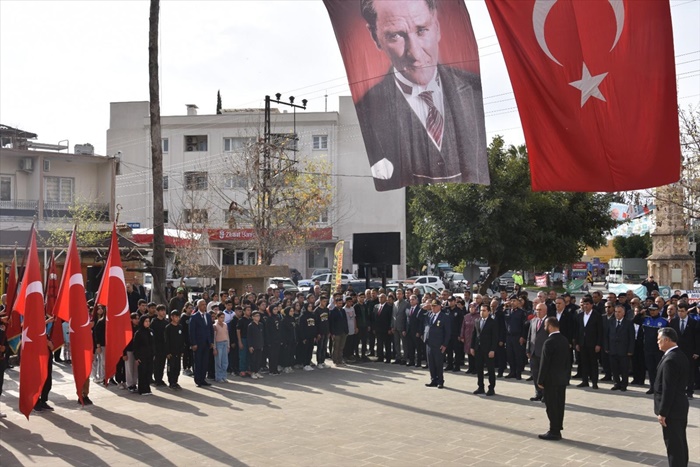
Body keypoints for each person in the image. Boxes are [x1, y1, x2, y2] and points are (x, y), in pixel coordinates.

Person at [355, 0, 488, 191]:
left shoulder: (473, 90)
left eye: (422, 30)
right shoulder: (366, 110)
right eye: (395, 36)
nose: (415, 53)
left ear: (437, 26)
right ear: (375, 36)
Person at [654, 327, 690, 467]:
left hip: (672, 410)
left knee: (674, 446)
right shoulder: (680, 355)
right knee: (680, 443)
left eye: (659, 340)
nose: (658, 342)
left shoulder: (671, 359)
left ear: (667, 340)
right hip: (679, 406)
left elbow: (668, 389)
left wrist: (663, 412)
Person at [537, 317, 572, 441]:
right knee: (559, 405)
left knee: (551, 406)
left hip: (551, 380)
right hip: (561, 379)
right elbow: (569, 361)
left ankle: (554, 431)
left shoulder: (549, 341)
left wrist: (540, 380)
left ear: (550, 326)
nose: (545, 328)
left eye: (546, 325)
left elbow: (544, 363)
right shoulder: (564, 340)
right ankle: (557, 428)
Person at [669, 302, 699, 399]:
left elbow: (697, 339)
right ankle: (678, 390)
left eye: (682, 311)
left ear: (687, 312)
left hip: (689, 351)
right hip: (676, 351)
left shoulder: (693, 323)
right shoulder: (673, 322)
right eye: (679, 311)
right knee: (676, 371)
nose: (680, 313)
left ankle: (689, 391)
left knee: (690, 371)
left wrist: (697, 352)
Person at [604, 304, 636, 391]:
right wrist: (607, 347)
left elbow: (631, 338)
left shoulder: (628, 323)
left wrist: (630, 350)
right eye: (616, 312)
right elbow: (606, 335)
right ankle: (616, 383)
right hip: (613, 349)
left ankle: (624, 384)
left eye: (619, 312)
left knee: (624, 368)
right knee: (614, 368)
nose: (617, 314)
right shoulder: (611, 322)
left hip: (624, 350)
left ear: (623, 313)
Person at [574, 297, 603, 389]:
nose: (585, 306)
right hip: (582, 343)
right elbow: (577, 330)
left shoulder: (597, 315)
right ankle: (584, 381)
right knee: (584, 363)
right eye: (584, 304)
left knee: (593, 363)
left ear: (591, 305)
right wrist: (577, 343)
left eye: (587, 304)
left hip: (593, 344)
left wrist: (598, 344)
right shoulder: (580, 315)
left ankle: (594, 382)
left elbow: (600, 331)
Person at [470, 304, 498, 396]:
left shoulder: (493, 322)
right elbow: (474, 335)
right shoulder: (477, 321)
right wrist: (472, 347)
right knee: (479, 369)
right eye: (481, 310)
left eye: (484, 310)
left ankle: (491, 388)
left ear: (489, 312)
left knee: (490, 370)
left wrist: (493, 350)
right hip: (478, 349)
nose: (482, 312)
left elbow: (495, 338)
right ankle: (480, 387)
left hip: (488, 349)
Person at [424, 299, 450, 389]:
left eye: (435, 306)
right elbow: (419, 316)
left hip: (439, 344)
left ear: (439, 306)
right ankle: (433, 380)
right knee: (431, 363)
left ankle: (440, 381)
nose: (433, 308)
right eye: (432, 306)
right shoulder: (429, 315)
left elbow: (448, 333)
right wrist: (424, 308)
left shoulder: (444, 317)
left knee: (438, 364)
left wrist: (445, 344)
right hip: (429, 342)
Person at [527, 303, 549, 402]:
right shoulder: (533, 321)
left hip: (544, 353)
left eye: (540, 310)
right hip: (534, 352)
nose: (538, 311)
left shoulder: (549, 321)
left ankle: (546, 394)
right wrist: (528, 349)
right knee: (535, 374)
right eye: (536, 309)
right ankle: (538, 393)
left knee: (544, 374)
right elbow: (529, 336)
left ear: (545, 311)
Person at [189, 299, 214, 387]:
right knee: (198, 362)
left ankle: (203, 379)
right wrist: (193, 343)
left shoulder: (207, 316)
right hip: (198, 343)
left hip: (207, 343)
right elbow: (192, 331)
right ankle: (198, 380)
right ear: (198, 306)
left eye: (205, 304)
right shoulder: (194, 317)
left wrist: (211, 341)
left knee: (205, 362)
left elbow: (210, 329)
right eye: (202, 304)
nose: (204, 306)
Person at [133, 315, 154, 396]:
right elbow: (135, 346)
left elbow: (153, 343)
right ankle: (142, 389)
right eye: (146, 321)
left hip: (150, 356)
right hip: (142, 356)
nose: (147, 323)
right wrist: (136, 357)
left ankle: (147, 388)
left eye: (148, 321)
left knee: (149, 372)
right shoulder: (138, 333)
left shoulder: (151, 331)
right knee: (142, 372)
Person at [164, 310, 184, 390]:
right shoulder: (168, 328)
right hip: (171, 352)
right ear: (172, 317)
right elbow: (166, 340)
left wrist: (182, 350)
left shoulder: (180, 327)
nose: (177, 318)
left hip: (178, 352)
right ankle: (171, 382)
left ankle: (175, 381)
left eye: (178, 317)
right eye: (175, 317)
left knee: (177, 367)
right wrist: (167, 352)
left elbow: (182, 339)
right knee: (171, 367)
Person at [213, 312, 230, 383]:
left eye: (223, 317)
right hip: (218, 344)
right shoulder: (215, 326)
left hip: (225, 343)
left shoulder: (225, 325)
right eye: (221, 317)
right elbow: (214, 337)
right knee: (218, 362)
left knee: (225, 361)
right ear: (218, 317)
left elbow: (227, 335)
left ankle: (224, 376)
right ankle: (218, 377)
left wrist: (228, 345)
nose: (222, 319)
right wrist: (214, 348)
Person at [248, 312, 265, 379]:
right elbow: (249, 337)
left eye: (259, 316)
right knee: (253, 359)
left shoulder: (261, 324)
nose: (258, 317)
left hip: (259, 344)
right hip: (253, 345)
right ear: (253, 317)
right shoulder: (250, 325)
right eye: (256, 316)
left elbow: (262, 335)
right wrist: (250, 346)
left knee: (259, 359)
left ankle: (257, 371)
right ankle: (252, 372)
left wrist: (262, 344)